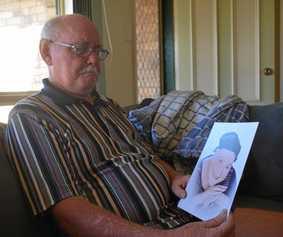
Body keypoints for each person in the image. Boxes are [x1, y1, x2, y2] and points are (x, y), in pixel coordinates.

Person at [5, 14, 234, 237]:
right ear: (47, 52)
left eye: (97, 50)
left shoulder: (108, 105)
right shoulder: (31, 116)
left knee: (269, 224)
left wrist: (174, 176)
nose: (93, 60)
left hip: (183, 213)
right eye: (80, 49)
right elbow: (66, 213)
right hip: (150, 230)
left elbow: (146, 156)